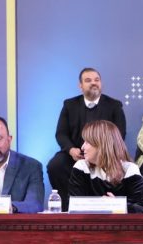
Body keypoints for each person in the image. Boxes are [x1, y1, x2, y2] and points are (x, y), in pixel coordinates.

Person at [46, 67, 127, 196]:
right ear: (80, 86)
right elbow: (61, 133)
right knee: (55, 165)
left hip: (105, 156)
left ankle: (106, 202)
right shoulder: (69, 105)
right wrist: (71, 149)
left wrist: (100, 151)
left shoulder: (114, 105)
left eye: (97, 80)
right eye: (88, 80)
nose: (94, 83)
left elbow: (119, 134)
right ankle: (67, 204)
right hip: (75, 155)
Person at [68, 119, 143, 213]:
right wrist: (101, 205)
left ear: (101, 145)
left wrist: (117, 205)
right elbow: (74, 207)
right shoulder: (82, 167)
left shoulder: (130, 169)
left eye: (87, 142)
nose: (82, 147)